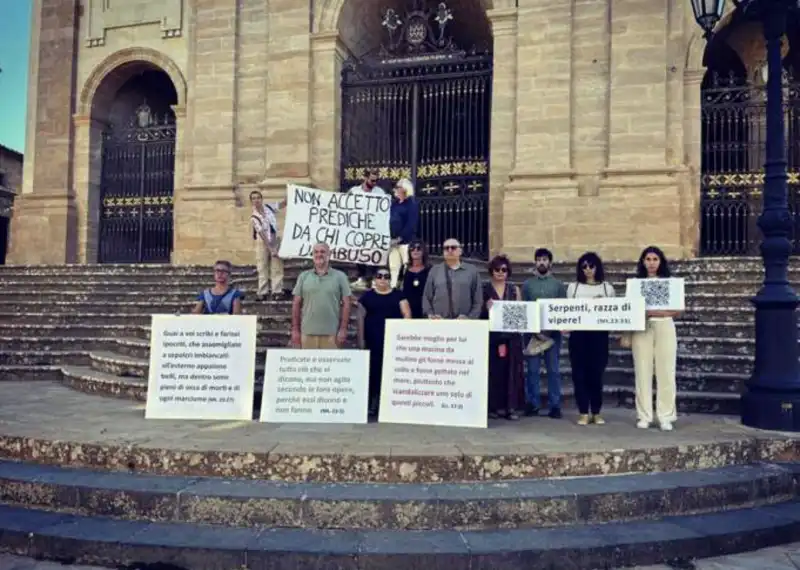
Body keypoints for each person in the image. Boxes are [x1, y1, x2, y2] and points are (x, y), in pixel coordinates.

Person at [631, 245, 680, 431]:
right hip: (642, 327)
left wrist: (653, 311)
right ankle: (644, 415)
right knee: (642, 371)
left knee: (666, 370)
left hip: (665, 325)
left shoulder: (670, 283)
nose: (651, 263)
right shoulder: (637, 283)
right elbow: (632, 309)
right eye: (648, 259)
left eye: (655, 259)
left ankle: (665, 415)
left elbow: (677, 309)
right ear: (643, 262)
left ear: (660, 262)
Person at [566, 252, 615, 426]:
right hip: (578, 335)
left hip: (599, 335)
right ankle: (582, 411)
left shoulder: (607, 288)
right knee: (579, 374)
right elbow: (567, 310)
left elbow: (614, 312)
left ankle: (596, 411)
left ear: (597, 267)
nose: (588, 270)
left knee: (596, 374)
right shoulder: (573, 288)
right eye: (584, 266)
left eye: (591, 266)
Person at [356, 267, 412, 417]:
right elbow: (360, 318)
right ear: (374, 279)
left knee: (391, 373)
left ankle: (391, 404)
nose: (382, 279)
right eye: (379, 276)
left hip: (393, 342)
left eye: (386, 276)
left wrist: (404, 336)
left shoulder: (398, 295)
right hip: (372, 341)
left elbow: (407, 314)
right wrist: (360, 340)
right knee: (373, 374)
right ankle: (373, 404)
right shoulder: (367, 297)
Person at [521, 247, 567, 419]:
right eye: (539, 259)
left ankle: (555, 406)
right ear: (535, 262)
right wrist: (533, 330)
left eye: (545, 259)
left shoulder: (558, 285)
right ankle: (533, 403)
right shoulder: (527, 285)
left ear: (550, 263)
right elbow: (524, 308)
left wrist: (553, 329)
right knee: (532, 370)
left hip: (552, 335)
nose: (542, 262)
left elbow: (563, 310)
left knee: (553, 370)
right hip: (532, 335)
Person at [481, 255, 525, 420]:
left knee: (512, 372)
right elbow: (479, 312)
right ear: (492, 271)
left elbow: (520, 311)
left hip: (511, 337)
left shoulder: (514, 289)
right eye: (497, 269)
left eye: (504, 270)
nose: (500, 273)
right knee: (494, 372)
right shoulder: (485, 289)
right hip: (492, 336)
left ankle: (511, 407)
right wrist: (486, 307)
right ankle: (493, 407)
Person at [291, 242, 353, 349]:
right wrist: (295, 329)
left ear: (329, 254)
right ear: (312, 255)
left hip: (332, 334)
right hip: (307, 333)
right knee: (308, 366)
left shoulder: (340, 276)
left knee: (332, 366)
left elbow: (347, 304)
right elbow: (296, 304)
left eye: (323, 252)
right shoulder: (303, 276)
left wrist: (343, 329)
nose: (319, 254)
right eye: (316, 252)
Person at [422, 238, 482, 320]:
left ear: (460, 251)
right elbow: (427, 296)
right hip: (439, 323)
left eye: (453, 247)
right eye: (446, 248)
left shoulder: (471, 271)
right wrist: (430, 315)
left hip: (464, 324)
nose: (449, 250)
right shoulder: (435, 271)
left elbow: (478, 299)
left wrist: (470, 318)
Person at [348, 169, 388, 291]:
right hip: (358, 228)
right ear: (365, 178)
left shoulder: (380, 192)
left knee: (373, 253)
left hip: (373, 229)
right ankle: (361, 278)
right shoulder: (354, 191)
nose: (374, 183)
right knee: (359, 253)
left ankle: (370, 278)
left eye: (376, 180)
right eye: (372, 180)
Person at [250, 190, 288, 301]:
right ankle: (263, 291)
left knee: (277, 266)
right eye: (254, 198)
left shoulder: (268, 207)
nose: (256, 200)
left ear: (261, 199)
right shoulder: (254, 217)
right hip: (263, 241)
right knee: (262, 265)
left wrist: (289, 193)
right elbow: (261, 233)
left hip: (275, 238)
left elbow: (282, 204)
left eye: (258, 197)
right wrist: (271, 248)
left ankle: (277, 290)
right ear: (251, 201)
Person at [388, 178, 419, 289]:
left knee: (407, 263)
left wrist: (400, 238)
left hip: (405, 241)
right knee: (393, 265)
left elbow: (411, 224)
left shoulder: (411, 204)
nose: (395, 190)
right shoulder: (394, 204)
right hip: (392, 241)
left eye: (398, 187)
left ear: (405, 189)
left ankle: (407, 286)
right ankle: (393, 285)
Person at [401, 240, 432, 319]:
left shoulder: (430, 269)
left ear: (423, 251)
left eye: (418, 248)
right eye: (412, 248)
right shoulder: (404, 269)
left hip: (425, 309)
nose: (415, 250)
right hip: (407, 310)